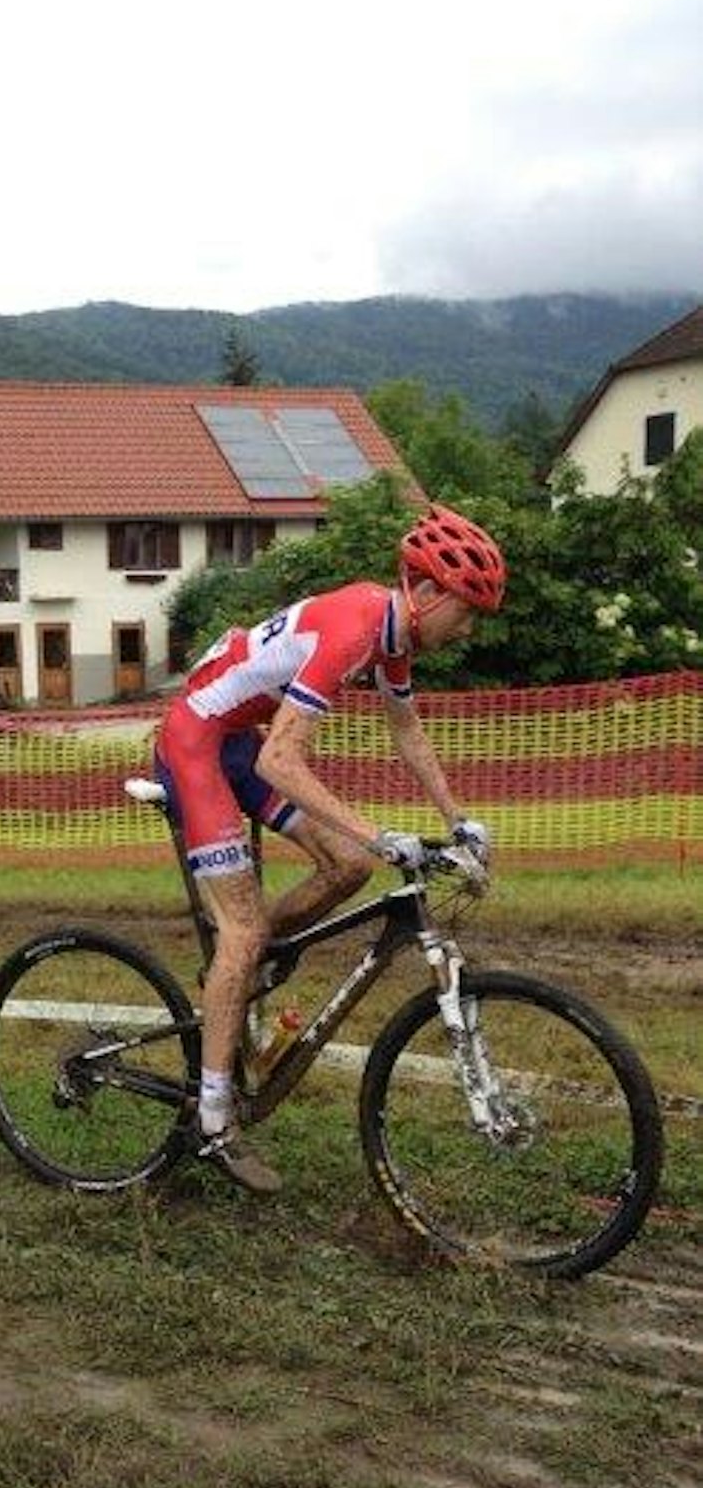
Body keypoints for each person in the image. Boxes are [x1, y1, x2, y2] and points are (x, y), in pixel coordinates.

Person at [154, 504, 506, 1195]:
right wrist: (380, 832)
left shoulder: (393, 636)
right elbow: (282, 761)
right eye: (466, 611)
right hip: (196, 744)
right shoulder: (354, 627)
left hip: (238, 744)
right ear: (426, 591)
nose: (468, 629)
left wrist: (458, 819)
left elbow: (406, 729)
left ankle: (240, 970)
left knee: (349, 866)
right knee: (244, 929)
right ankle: (214, 1117)